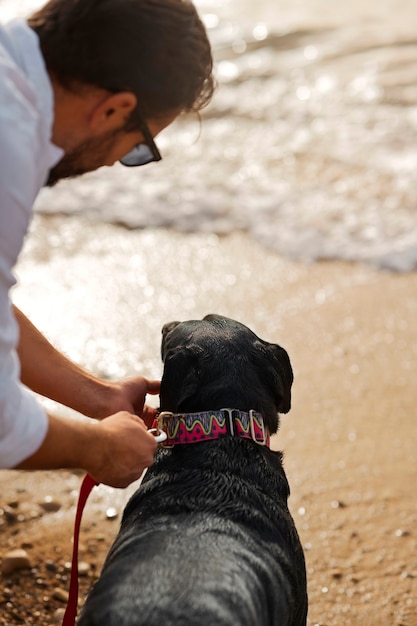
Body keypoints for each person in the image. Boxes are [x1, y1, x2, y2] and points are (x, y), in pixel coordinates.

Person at [0, 0, 214, 488]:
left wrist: (100, 400)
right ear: (115, 108)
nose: (117, 162)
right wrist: (98, 448)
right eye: (138, 147)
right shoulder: (7, 144)